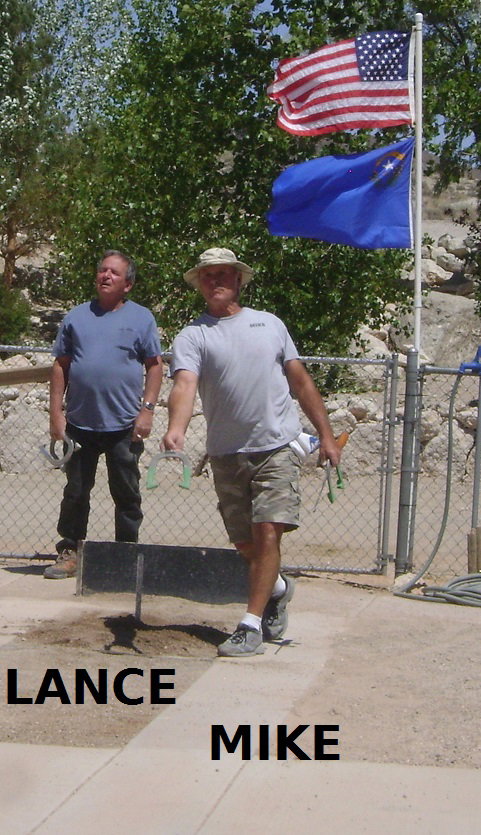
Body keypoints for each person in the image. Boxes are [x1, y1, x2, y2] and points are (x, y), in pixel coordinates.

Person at [162, 247, 341, 657]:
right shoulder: (193, 335)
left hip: (276, 447)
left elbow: (301, 382)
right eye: (208, 275)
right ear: (199, 284)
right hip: (226, 453)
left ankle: (250, 625)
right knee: (247, 546)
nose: (215, 281)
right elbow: (185, 384)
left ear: (239, 280)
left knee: (267, 532)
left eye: (223, 274)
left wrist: (326, 436)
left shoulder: (270, 324)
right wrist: (175, 428)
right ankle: (277, 588)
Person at [44, 250, 163, 579]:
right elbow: (60, 365)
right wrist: (56, 414)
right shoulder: (76, 317)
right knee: (76, 492)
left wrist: (147, 411)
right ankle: (70, 551)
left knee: (126, 493)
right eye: (102, 270)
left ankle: (125, 555)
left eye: (114, 272)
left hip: (124, 425)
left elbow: (154, 366)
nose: (106, 275)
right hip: (80, 423)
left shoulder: (142, 318)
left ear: (128, 284)